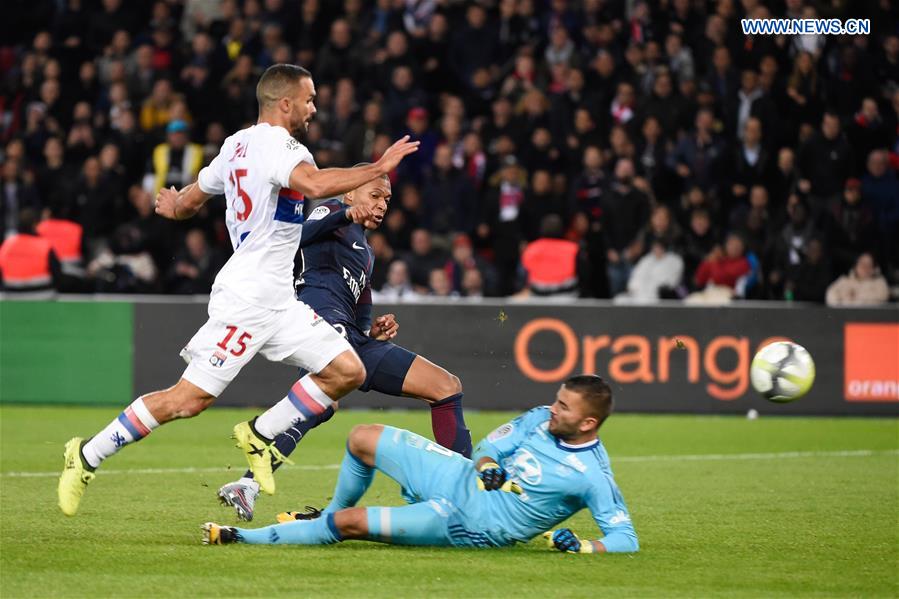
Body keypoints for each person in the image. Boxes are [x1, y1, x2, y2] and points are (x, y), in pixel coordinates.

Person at [57, 64, 420, 516]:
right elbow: (314, 184)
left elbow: (194, 197)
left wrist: (174, 205)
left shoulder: (235, 146)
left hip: (279, 300)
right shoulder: (280, 146)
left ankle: (260, 434)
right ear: (284, 103)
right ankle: (86, 455)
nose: (313, 108)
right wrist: (378, 166)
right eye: (308, 99)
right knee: (186, 401)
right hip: (248, 297)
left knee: (346, 371)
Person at [218, 170, 472, 521]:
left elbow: (361, 312)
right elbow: (296, 237)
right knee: (322, 404)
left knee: (446, 387)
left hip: (350, 338)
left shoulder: (366, 252)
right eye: (374, 196)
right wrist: (344, 214)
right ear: (350, 194)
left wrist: (374, 334)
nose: (381, 205)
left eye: (386, 200)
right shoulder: (330, 212)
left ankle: (465, 494)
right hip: (318, 326)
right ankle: (248, 484)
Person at [203, 375, 639, 555]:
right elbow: (490, 445)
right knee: (362, 437)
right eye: (557, 400)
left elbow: (625, 537)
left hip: (470, 522)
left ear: (587, 422)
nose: (552, 410)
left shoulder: (592, 477)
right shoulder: (539, 417)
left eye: (564, 408)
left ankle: (243, 537)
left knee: (354, 524)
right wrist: (486, 462)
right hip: (456, 474)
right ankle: (328, 513)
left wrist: (585, 547)